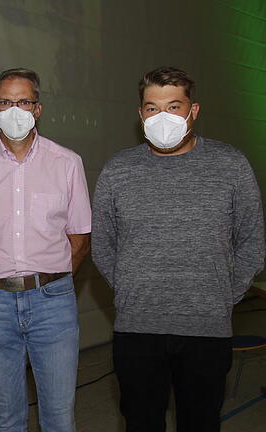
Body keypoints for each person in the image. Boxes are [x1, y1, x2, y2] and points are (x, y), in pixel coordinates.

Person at [91, 66, 265, 431]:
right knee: (141, 422)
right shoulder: (118, 170)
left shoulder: (230, 165)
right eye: (152, 108)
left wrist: (222, 296)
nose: (162, 117)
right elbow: (103, 243)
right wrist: (129, 288)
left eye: (173, 106)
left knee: (201, 422)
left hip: (207, 327)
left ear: (193, 110)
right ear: (140, 114)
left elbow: (252, 240)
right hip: (138, 328)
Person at [0, 68, 91, 431]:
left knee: (59, 417)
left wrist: (53, 279)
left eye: (24, 101)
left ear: (38, 108)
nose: (15, 109)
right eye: (7, 101)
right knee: (8, 419)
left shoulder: (67, 163)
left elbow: (80, 235)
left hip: (53, 302)